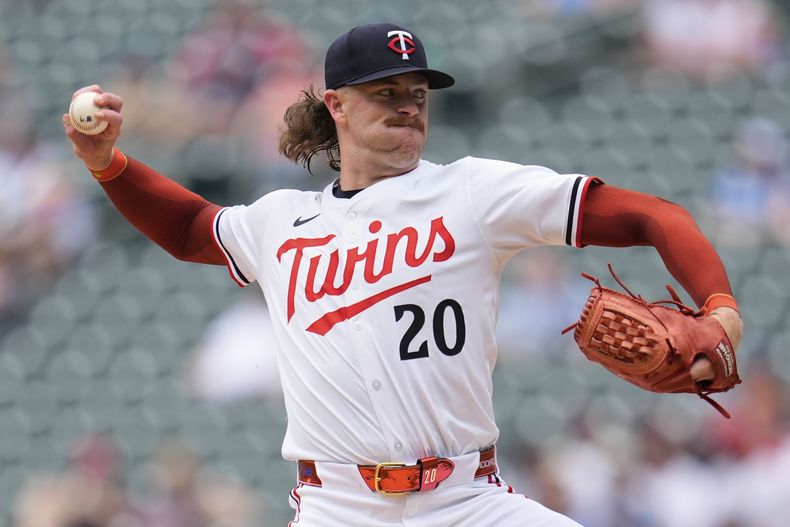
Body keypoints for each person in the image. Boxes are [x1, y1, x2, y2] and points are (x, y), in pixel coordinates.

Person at [63, 22, 743, 527]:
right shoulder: (281, 221)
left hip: (467, 501)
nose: (408, 105)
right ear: (336, 105)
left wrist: (719, 308)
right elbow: (189, 229)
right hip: (337, 507)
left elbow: (655, 215)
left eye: (417, 92)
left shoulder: (474, 193)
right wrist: (107, 164)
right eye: (386, 92)